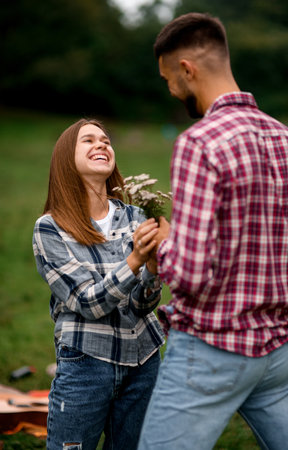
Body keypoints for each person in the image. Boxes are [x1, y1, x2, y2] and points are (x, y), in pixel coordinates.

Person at [138, 12, 288, 450]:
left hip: (212, 350)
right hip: (280, 351)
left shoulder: (200, 142)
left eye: (168, 78)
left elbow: (188, 274)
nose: (170, 89)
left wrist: (162, 247)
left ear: (186, 69)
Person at [32, 118, 165, 450]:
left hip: (143, 362)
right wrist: (135, 260)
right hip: (86, 365)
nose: (102, 144)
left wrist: (153, 269)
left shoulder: (136, 216)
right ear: (66, 159)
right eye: (88, 140)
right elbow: (89, 303)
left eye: (106, 140)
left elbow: (141, 306)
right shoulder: (50, 228)